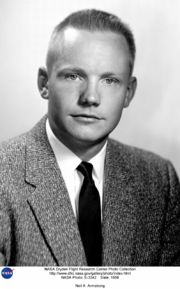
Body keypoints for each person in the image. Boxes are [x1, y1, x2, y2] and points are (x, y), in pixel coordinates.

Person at [0, 9, 180, 267]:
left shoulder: (159, 180)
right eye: (73, 76)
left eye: (109, 80)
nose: (91, 97)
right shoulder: (3, 175)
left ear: (128, 92)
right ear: (44, 83)